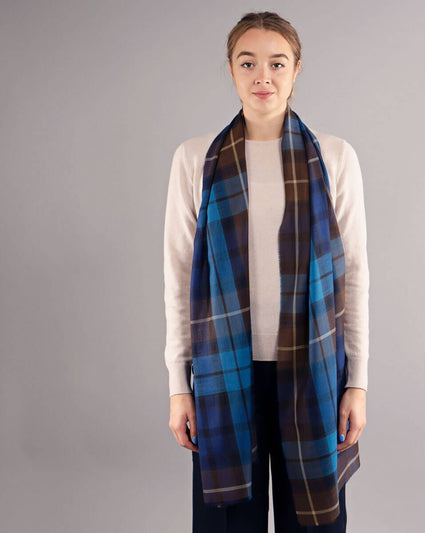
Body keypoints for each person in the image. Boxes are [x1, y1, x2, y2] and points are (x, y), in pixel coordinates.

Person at [164, 11, 369, 533]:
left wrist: (359, 383)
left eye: (277, 63)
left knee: (314, 523)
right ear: (231, 70)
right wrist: (178, 386)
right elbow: (178, 279)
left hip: (314, 371)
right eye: (248, 62)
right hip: (224, 373)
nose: (263, 77)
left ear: (296, 69)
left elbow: (354, 277)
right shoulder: (195, 159)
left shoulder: (334, 158)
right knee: (229, 523)